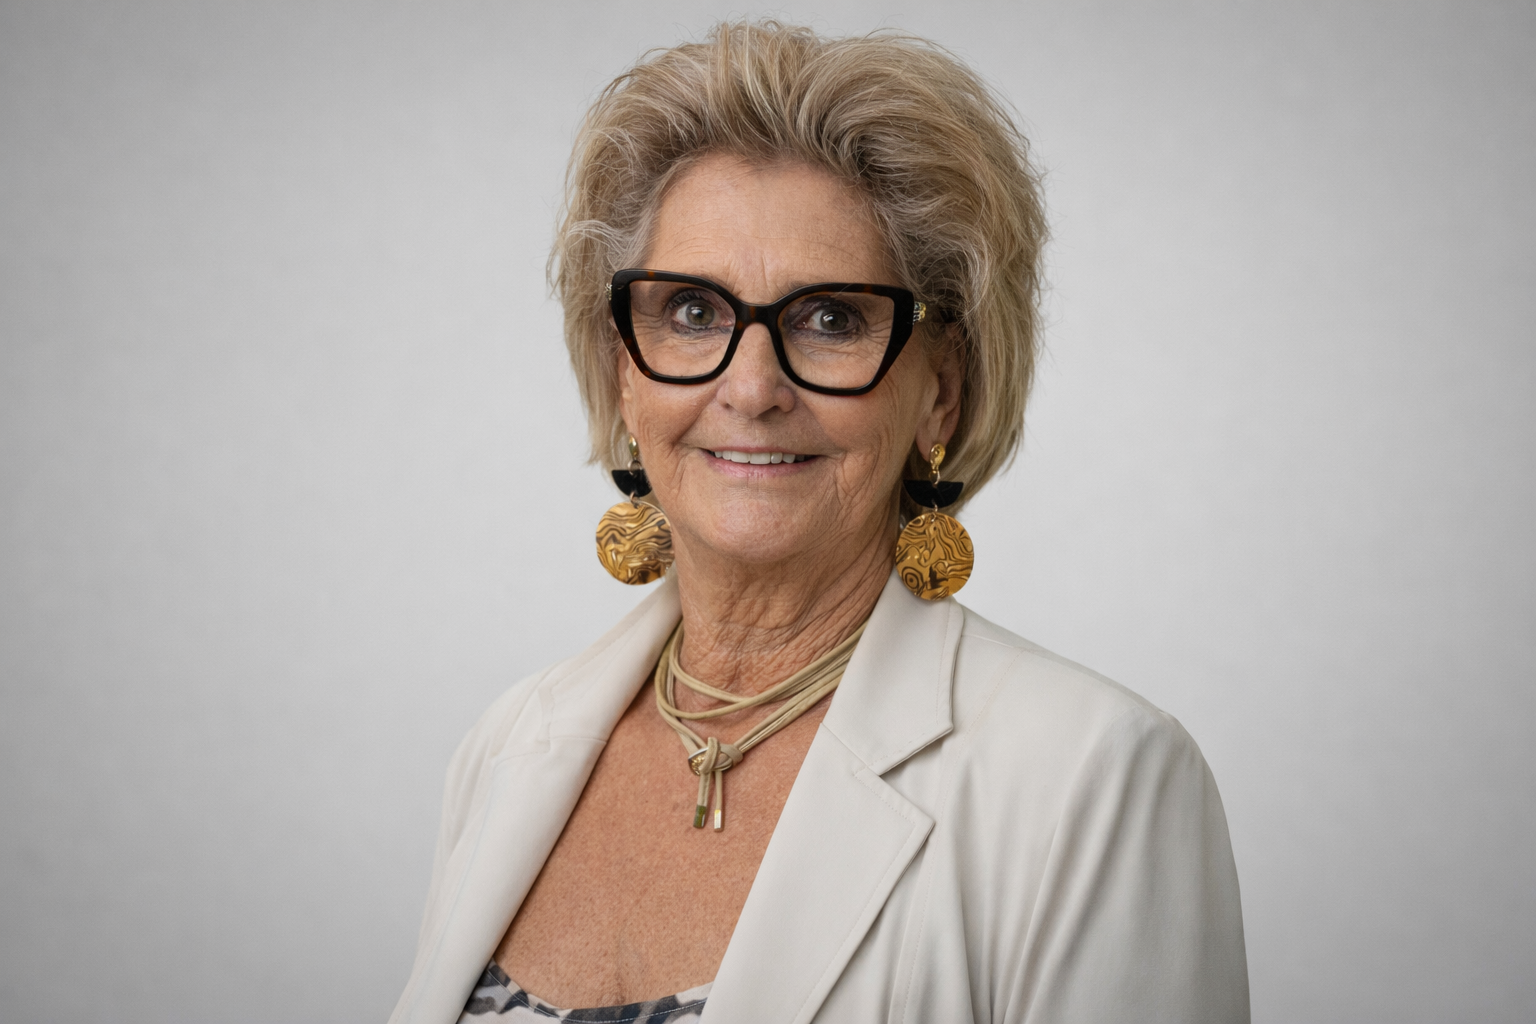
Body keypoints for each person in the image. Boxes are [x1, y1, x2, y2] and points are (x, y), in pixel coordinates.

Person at [390, 21, 1248, 1024]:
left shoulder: (1095, 779)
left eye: (831, 318)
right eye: (693, 312)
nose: (752, 388)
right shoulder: (508, 745)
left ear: (941, 390)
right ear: (624, 371)